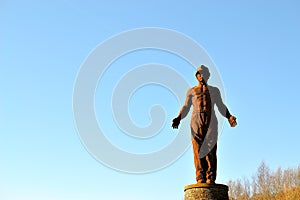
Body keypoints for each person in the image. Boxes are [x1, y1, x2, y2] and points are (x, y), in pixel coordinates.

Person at [172, 65, 237, 184]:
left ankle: (210, 176)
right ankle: (200, 176)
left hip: (211, 120)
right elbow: (186, 107)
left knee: (211, 149)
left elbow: (221, 106)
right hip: (196, 120)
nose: (201, 75)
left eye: (203, 73)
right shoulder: (191, 91)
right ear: (196, 76)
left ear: (208, 76)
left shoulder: (214, 90)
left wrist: (229, 116)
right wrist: (178, 118)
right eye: (199, 73)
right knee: (197, 149)